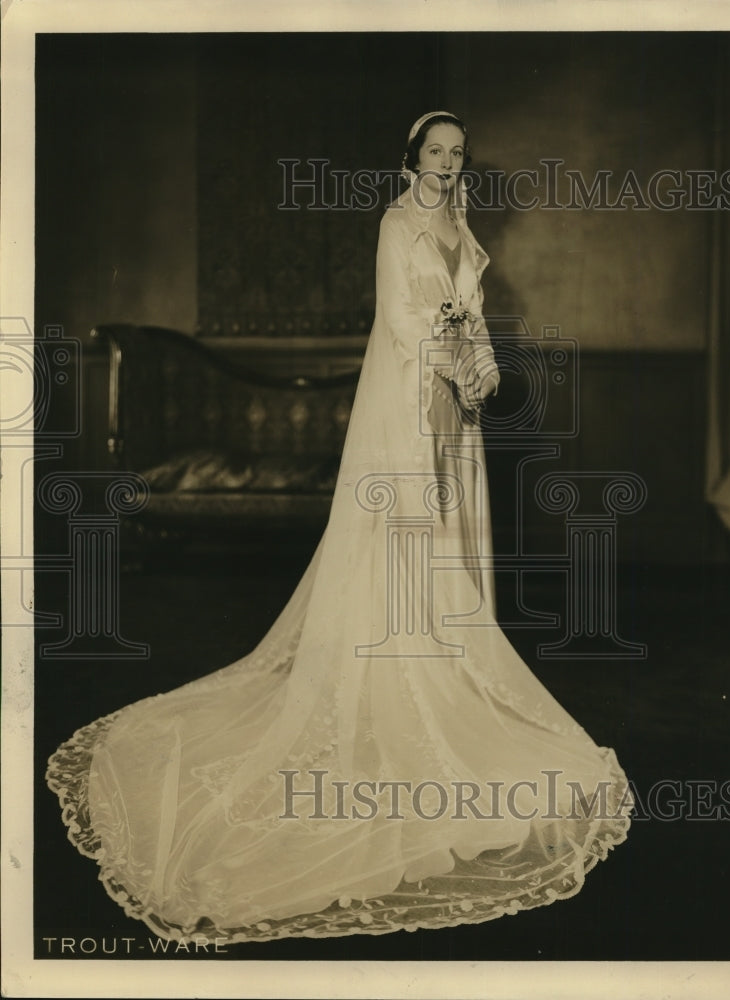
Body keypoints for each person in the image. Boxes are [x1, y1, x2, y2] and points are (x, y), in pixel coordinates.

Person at [46, 111, 632, 944]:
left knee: (449, 540)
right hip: (409, 398)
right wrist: (449, 358)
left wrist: (480, 370)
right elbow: (400, 322)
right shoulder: (397, 224)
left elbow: (475, 312)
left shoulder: (461, 225)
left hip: (455, 407)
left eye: (457, 155)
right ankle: (395, 683)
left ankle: (451, 673)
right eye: (435, 152)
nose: (446, 164)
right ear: (411, 159)